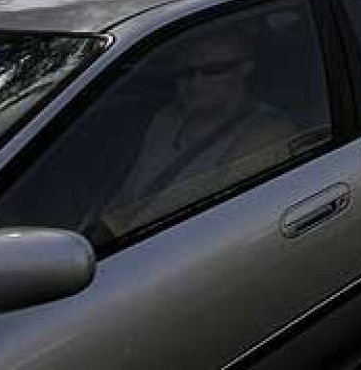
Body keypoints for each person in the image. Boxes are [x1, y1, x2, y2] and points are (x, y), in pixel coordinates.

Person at [105, 28, 294, 234]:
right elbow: (127, 197)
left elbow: (225, 223)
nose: (196, 82)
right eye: (186, 72)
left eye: (212, 70)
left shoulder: (266, 133)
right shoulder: (165, 119)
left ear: (245, 68)